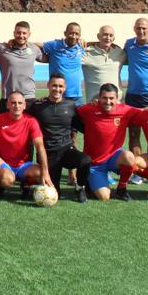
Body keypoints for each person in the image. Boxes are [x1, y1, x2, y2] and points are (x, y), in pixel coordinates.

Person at [27, 74, 92, 202]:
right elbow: (24, 122)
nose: (57, 89)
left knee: (85, 160)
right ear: (48, 86)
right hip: (47, 154)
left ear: (65, 87)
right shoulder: (38, 106)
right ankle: (29, 186)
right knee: (55, 192)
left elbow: (82, 127)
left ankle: (80, 188)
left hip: (66, 150)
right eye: (54, 85)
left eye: (60, 86)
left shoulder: (70, 105)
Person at [76, 84, 141, 201]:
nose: (108, 101)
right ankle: (90, 181)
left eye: (111, 98)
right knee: (104, 197)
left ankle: (121, 189)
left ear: (117, 99)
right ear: (99, 98)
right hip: (95, 163)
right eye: (105, 98)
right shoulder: (88, 109)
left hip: (113, 157)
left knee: (129, 157)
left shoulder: (126, 110)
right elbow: (71, 113)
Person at [0, 92, 53, 199]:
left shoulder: (31, 121)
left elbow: (40, 147)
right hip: (4, 164)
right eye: (13, 103)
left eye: (19, 103)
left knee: (41, 174)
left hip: (23, 165)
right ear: (7, 105)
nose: (16, 106)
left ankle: (25, 184)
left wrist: (46, 172)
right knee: (7, 180)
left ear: (24, 105)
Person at [0, 21, 43, 114]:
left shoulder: (34, 49)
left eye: (24, 33)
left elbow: (46, 56)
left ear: (29, 34)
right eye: (18, 33)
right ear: (14, 33)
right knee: (1, 127)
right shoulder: (2, 48)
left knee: (31, 127)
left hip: (28, 98)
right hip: (8, 97)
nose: (21, 35)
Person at [39, 22, 86, 104]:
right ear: (65, 33)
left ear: (80, 35)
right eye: (71, 33)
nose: (74, 36)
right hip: (59, 96)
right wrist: (14, 42)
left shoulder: (81, 47)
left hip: (77, 97)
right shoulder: (55, 45)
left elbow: (96, 44)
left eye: (76, 34)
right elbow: (35, 45)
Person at [82, 25, 125, 102]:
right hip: (94, 103)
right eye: (105, 35)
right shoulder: (86, 53)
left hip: (117, 103)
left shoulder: (120, 53)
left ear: (113, 38)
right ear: (98, 36)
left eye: (111, 35)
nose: (108, 38)